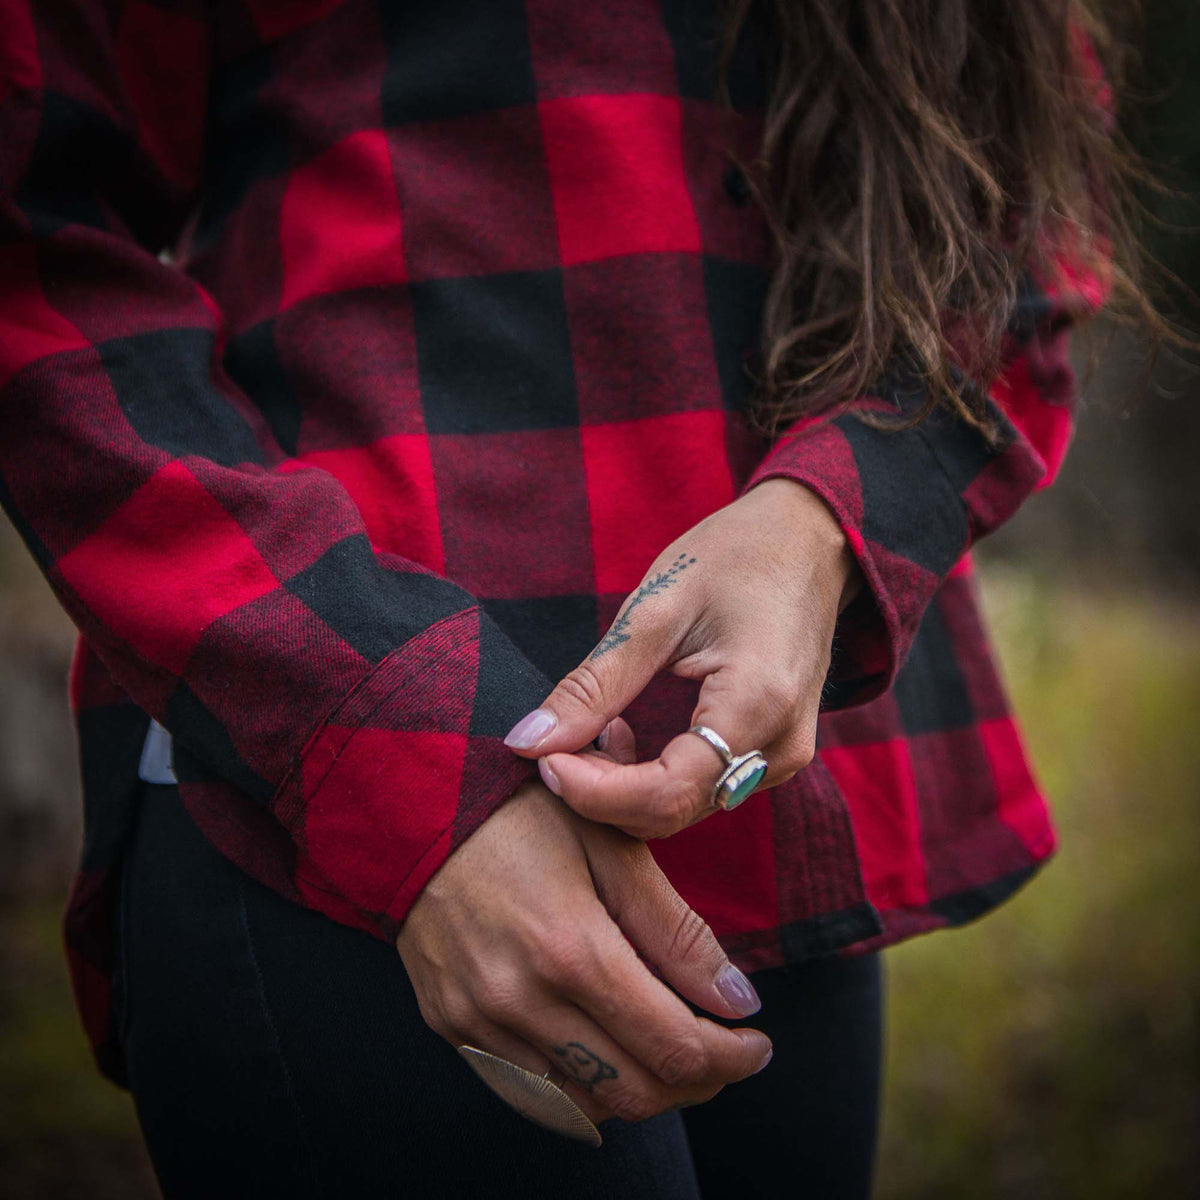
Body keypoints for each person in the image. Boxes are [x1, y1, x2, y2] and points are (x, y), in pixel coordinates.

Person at [0, 1, 1123, 1196]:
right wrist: (390, 740)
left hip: (766, 801)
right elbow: (34, 241)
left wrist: (826, 519)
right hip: (325, 790)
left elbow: (1023, 217)